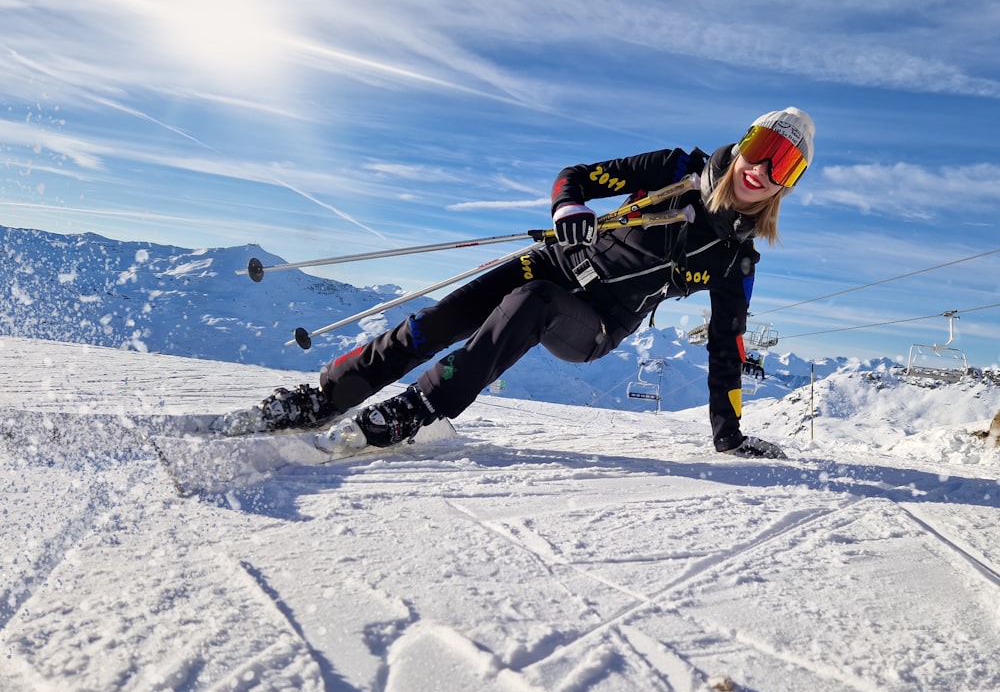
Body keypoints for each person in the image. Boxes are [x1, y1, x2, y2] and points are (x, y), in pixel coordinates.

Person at [242, 107, 815, 459]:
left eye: (783, 166)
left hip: (593, 327)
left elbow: (726, 351)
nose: (761, 170)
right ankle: (326, 397)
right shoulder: (674, 170)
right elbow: (577, 177)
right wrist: (569, 209)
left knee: (532, 303)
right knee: (434, 323)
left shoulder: (734, 262)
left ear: (785, 187)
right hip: (554, 264)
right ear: (744, 143)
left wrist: (729, 435)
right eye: (762, 149)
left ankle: (419, 408)